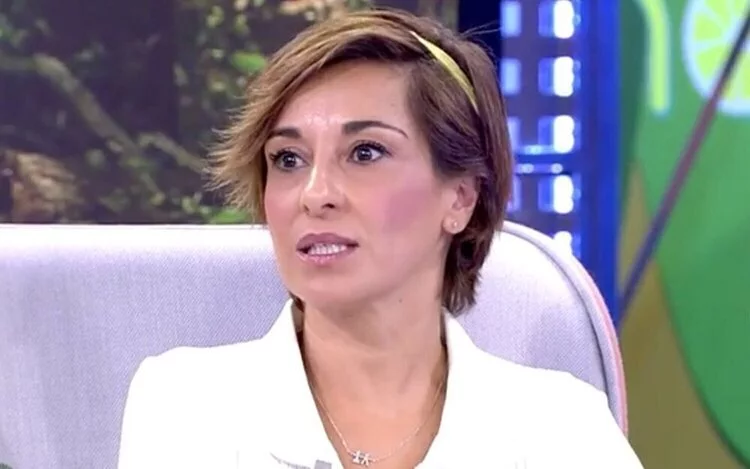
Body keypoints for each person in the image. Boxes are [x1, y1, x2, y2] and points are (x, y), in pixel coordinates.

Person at [117, 7, 642, 469]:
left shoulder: (561, 428)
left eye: (365, 152)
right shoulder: (186, 405)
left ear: (461, 198)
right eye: (288, 159)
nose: (315, 194)